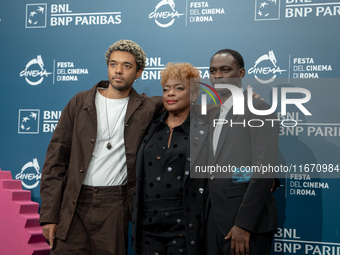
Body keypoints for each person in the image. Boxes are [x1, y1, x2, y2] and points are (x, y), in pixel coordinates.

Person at [39, 40, 164, 255]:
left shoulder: (148, 107)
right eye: (113, 64)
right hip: (74, 202)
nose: (118, 70)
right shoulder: (79, 102)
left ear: (139, 73)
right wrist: (49, 215)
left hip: (114, 205)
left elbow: (182, 98)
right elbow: (55, 161)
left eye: (127, 66)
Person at [205, 49, 279, 255]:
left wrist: (244, 225)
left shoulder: (258, 109)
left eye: (225, 70)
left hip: (245, 225)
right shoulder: (213, 113)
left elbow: (263, 170)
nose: (218, 76)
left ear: (241, 73)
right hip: (214, 221)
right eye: (213, 71)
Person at [131, 63, 209, 255]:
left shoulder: (206, 129)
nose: (170, 94)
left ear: (193, 95)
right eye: (166, 89)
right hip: (147, 226)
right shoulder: (150, 125)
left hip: (185, 227)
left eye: (179, 88)